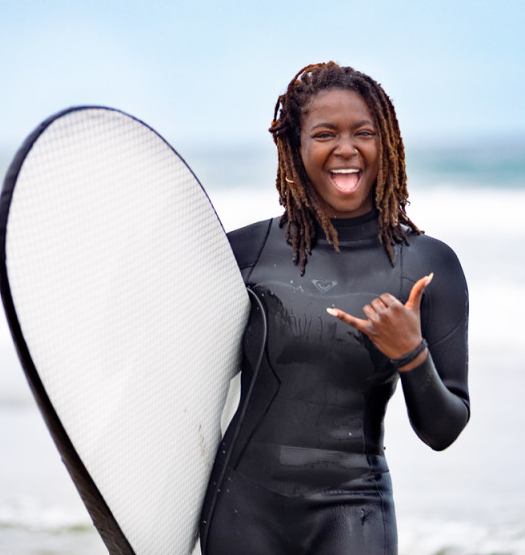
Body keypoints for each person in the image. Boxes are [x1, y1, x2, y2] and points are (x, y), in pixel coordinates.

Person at [200, 62, 470, 555]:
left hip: (354, 508)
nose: (346, 149)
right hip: (243, 506)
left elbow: (443, 430)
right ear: (295, 147)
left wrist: (412, 355)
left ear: (384, 142)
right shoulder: (243, 254)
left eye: (363, 132)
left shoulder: (428, 266)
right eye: (325, 134)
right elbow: (174, 371)